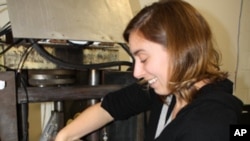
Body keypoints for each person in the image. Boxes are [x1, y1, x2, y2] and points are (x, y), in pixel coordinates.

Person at [55, 0, 243, 141]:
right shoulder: (172, 90)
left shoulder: (209, 123)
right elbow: (110, 107)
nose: (136, 73)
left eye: (143, 58)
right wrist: (63, 137)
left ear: (178, 49)